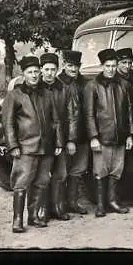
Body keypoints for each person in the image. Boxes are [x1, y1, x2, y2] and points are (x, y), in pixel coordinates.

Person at [1, 56, 63, 233]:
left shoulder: (48, 94)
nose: (34, 75)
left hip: (47, 147)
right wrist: (13, 146)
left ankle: (34, 216)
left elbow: (56, 121)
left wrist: (58, 141)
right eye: (30, 72)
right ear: (23, 74)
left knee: (42, 182)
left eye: (37, 71)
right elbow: (8, 123)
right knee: (21, 183)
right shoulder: (14, 95)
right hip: (25, 148)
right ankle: (18, 220)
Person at [83, 48, 133, 217]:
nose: (111, 69)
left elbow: (130, 112)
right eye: (108, 66)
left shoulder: (124, 85)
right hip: (102, 137)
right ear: (101, 66)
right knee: (100, 170)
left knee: (116, 170)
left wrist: (129, 135)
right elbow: (89, 114)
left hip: (120, 136)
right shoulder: (92, 86)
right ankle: (100, 205)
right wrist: (93, 137)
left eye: (113, 65)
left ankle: (112, 201)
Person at [38, 53, 72, 222]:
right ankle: (42, 210)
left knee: (61, 174)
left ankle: (57, 207)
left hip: (62, 138)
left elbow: (73, 115)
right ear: (41, 70)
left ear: (58, 70)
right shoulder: (35, 88)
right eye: (46, 69)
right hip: (42, 140)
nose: (50, 73)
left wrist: (70, 139)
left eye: (53, 69)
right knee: (43, 175)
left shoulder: (64, 88)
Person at [58, 50, 90, 216]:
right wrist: (68, 138)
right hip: (64, 136)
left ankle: (72, 202)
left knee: (78, 169)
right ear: (64, 65)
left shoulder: (85, 82)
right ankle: (59, 204)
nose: (73, 69)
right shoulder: (58, 83)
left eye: (76, 66)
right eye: (70, 65)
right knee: (62, 171)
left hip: (83, 134)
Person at [115, 48, 133, 207]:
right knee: (118, 164)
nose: (127, 66)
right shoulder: (114, 79)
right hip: (120, 124)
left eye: (129, 62)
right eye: (123, 63)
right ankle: (117, 196)